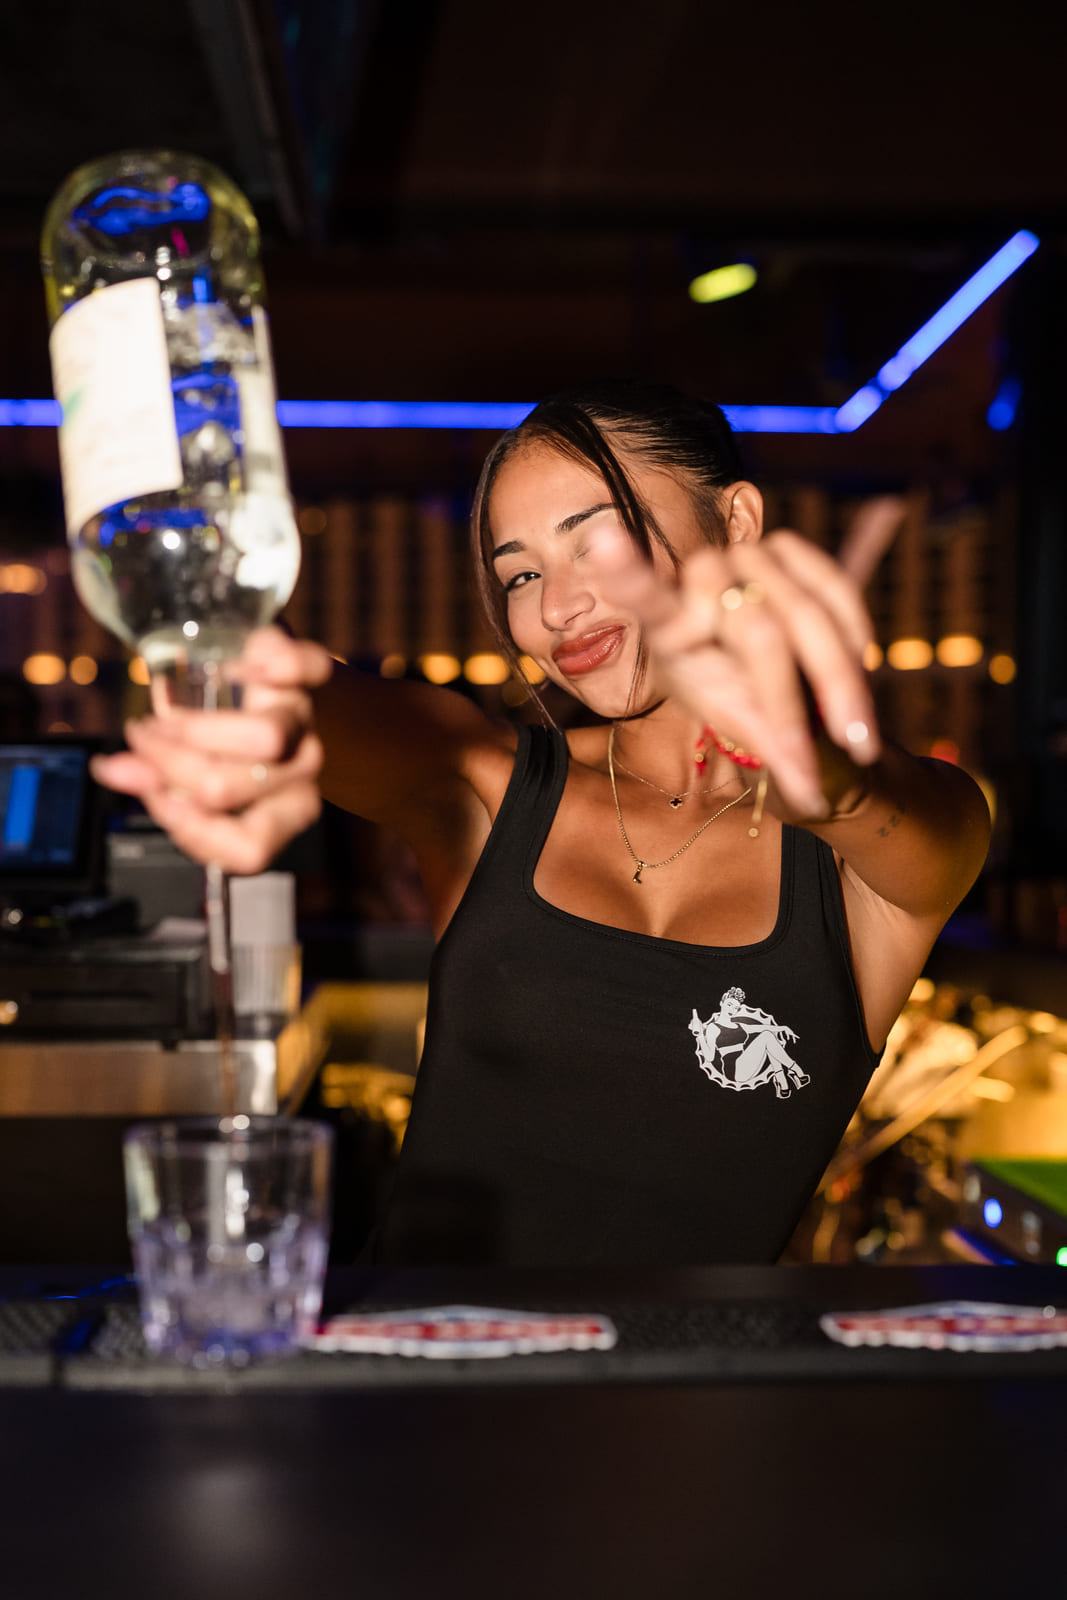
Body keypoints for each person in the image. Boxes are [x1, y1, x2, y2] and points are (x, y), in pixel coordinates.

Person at [92, 381, 991, 1265]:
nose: (555, 608)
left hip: (700, 1397)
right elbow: (293, 685)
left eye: (596, 541)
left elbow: (914, 824)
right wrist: (245, 690)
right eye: (520, 573)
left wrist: (819, 771)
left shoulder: (871, 853)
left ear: (738, 523)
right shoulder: (484, 786)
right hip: (423, 1378)